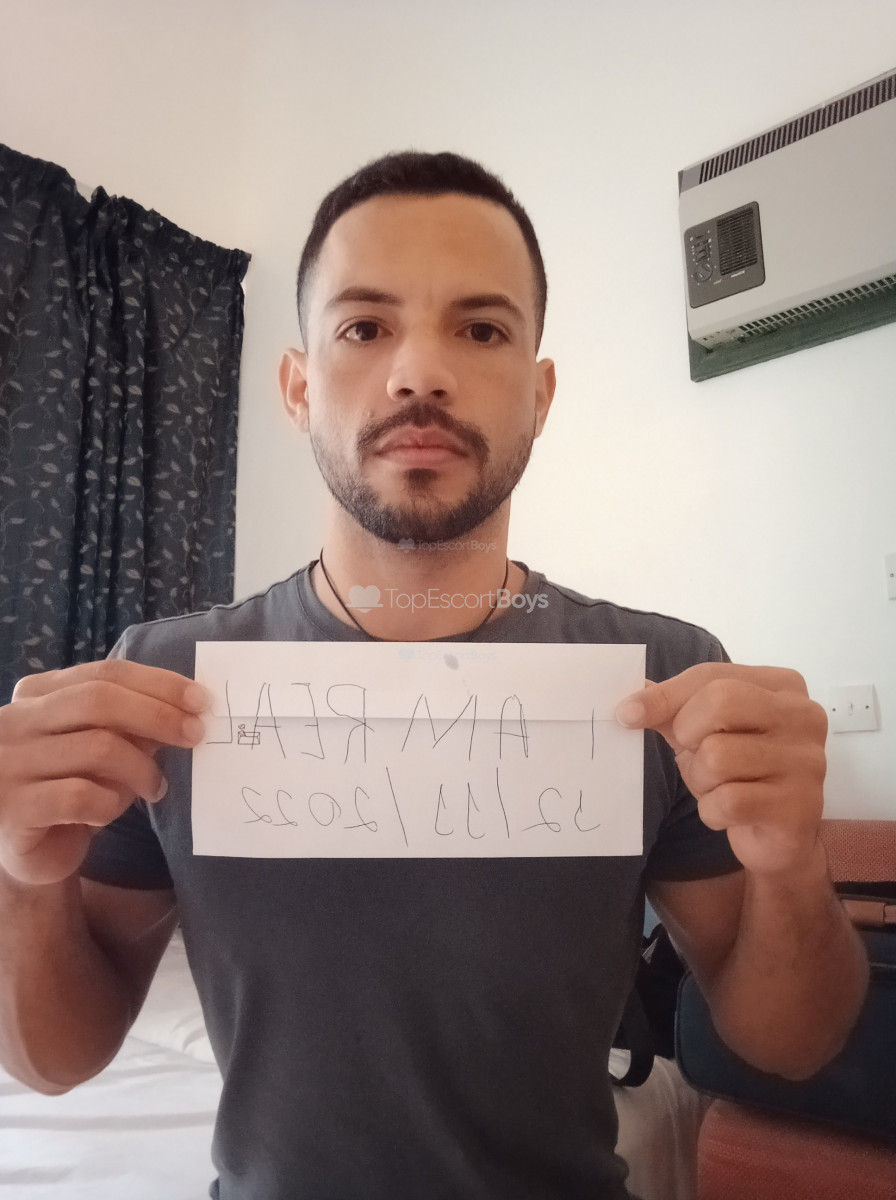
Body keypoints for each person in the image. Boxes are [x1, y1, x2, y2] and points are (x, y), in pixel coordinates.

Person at [0, 151, 868, 1200]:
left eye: (482, 329)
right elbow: (55, 1062)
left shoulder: (664, 682)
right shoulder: (162, 687)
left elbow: (789, 1048)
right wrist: (21, 881)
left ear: (538, 396)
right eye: (365, 327)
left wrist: (792, 866)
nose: (419, 373)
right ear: (298, 386)